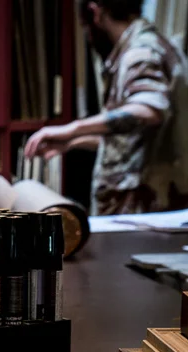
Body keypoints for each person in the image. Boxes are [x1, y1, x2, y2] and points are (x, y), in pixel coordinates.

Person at [24, 0, 188, 215]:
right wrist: (73, 142)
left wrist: (73, 128)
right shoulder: (156, 45)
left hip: (144, 212)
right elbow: (133, 140)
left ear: (96, 13)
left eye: (86, 28)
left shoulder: (140, 51)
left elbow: (148, 110)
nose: (89, 37)